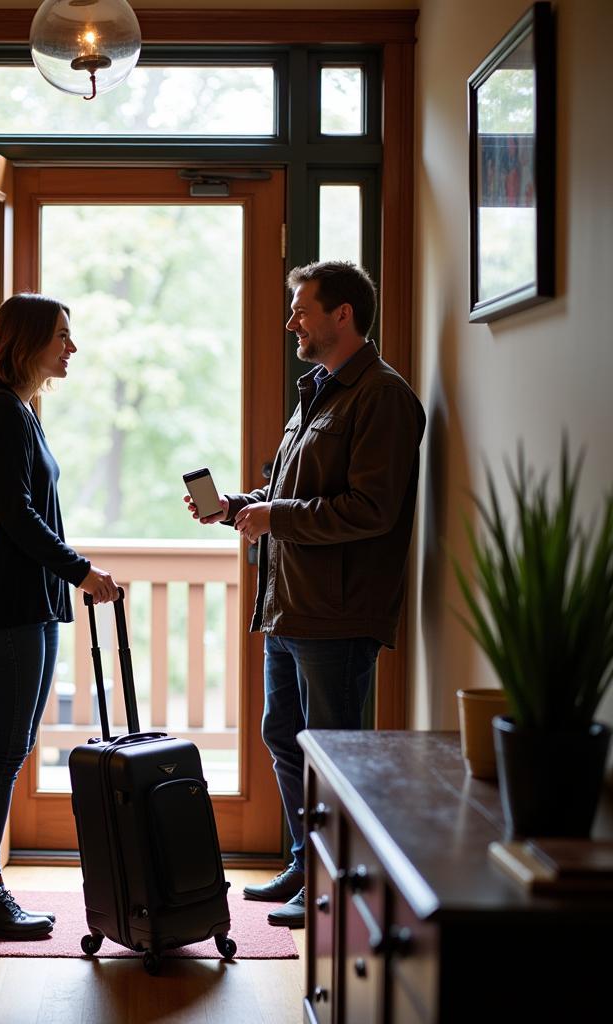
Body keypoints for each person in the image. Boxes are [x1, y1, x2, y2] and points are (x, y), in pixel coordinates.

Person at [186, 261, 425, 928]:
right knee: (282, 735)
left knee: (334, 751)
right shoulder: (318, 391)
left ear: (341, 314)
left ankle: (336, 886)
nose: (291, 322)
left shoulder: (383, 398)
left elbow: (371, 510)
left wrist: (278, 519)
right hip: (290, 603)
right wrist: (238, 504)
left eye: (301, 310)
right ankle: (306, 860)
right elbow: (292, 490)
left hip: (340, 611)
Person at [0, 293, 120, 939]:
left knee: (9, 748)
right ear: (26, 342)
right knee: (1, 752)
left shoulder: (18, 410)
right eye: (61, 336)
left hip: (25, 605)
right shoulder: (1, 413)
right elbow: (19, 517)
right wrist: (83, 572)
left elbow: (25, 515)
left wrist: (69, 574)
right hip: (9, 608)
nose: (71, 348)